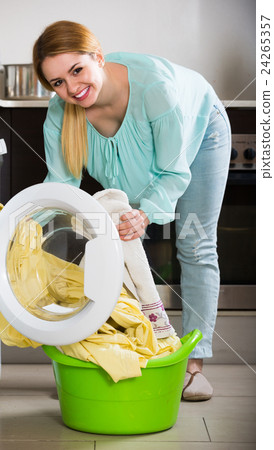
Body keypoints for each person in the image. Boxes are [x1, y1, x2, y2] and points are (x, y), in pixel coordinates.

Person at [33, 20, 231, 401]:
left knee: (195, 242)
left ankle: (193, 368)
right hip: (144, 157)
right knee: (111, 251)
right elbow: (60, 185)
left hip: (201, 134)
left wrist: (148, 213)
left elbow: (173, 171)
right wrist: (21, 226)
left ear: (98, 57)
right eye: (58, 83)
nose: (72, 89)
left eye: (77, 70)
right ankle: (124, 354)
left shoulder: (154, 89)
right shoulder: (62, 113)